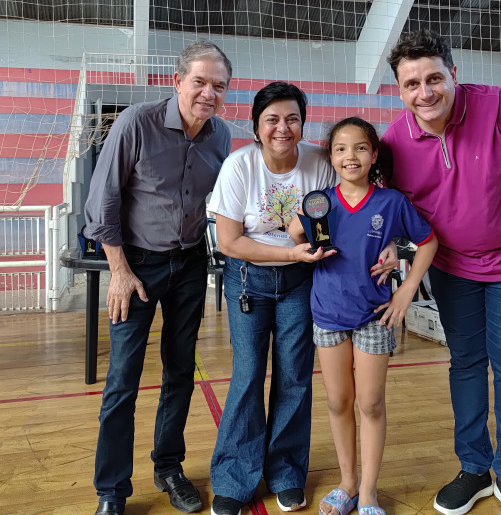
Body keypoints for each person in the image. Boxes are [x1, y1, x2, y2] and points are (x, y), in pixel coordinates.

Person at [381, 30, 501, 515]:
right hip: (452, 270)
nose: (425, 93)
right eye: (412, 84)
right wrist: (389, 251)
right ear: (399, 90)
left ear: (453, 75)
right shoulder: (394, 141)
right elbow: (390, 211)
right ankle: (474, 468)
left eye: (434, 78)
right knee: (465, 364)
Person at [206, 83, 396, 515]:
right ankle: (235, 478)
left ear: (303, 124)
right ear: (256, 126)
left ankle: (287, 474)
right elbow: (229, 242)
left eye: (292, 118)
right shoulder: (239, 166)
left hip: (301, 281)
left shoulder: (320, 162)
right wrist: (290, 252)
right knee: (248, 375)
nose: (282, 128)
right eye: (272, 119)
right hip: (249, 279)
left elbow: (361, 200)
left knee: (294, 376)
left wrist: (388, 243)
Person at [83, 39, 233, 515]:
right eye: (200, 82)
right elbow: (102, 201)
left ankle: (168, 468)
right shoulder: (136, 122)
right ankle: (112, 491)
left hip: (189, 264)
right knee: (123, 379)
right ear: (177, 81)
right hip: (136, 266)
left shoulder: (221, 137)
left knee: (181, 371)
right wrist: (119, 271)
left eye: (219, 86)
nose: (208, 93)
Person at [289, 117, 437, 515]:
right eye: (340, 149)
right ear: (331, 158)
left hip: (374, 315)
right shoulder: (322, 202)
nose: (349, 156)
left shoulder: (391, 202)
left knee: (370, 404)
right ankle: (348, 484)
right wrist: (304, 223)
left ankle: (369, 492)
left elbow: (426, 241)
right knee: (339, 402)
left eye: (359, 148)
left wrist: (406, 283)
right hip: (328, 315)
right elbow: (295, 233)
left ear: (373, 155)